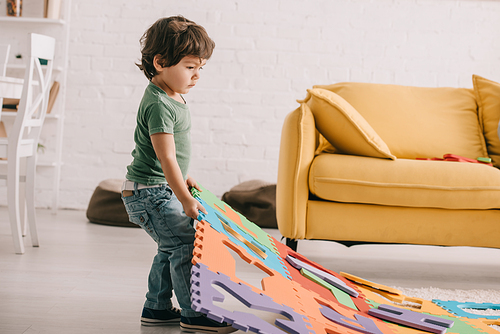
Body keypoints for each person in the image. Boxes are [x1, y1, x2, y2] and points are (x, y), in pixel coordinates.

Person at [121, 16, 235, 334]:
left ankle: (156, 308)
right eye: (189, 67)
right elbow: (165, 156)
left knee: (169, 246)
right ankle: (194, 313)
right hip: (149, 193)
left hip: (154, 189)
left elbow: (171, 160)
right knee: (185, 242)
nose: (197, 75)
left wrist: (184, 178)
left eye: (200, 67)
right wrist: (184, 199)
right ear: (160, 62)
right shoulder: (158, 103)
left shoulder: (172, 96)